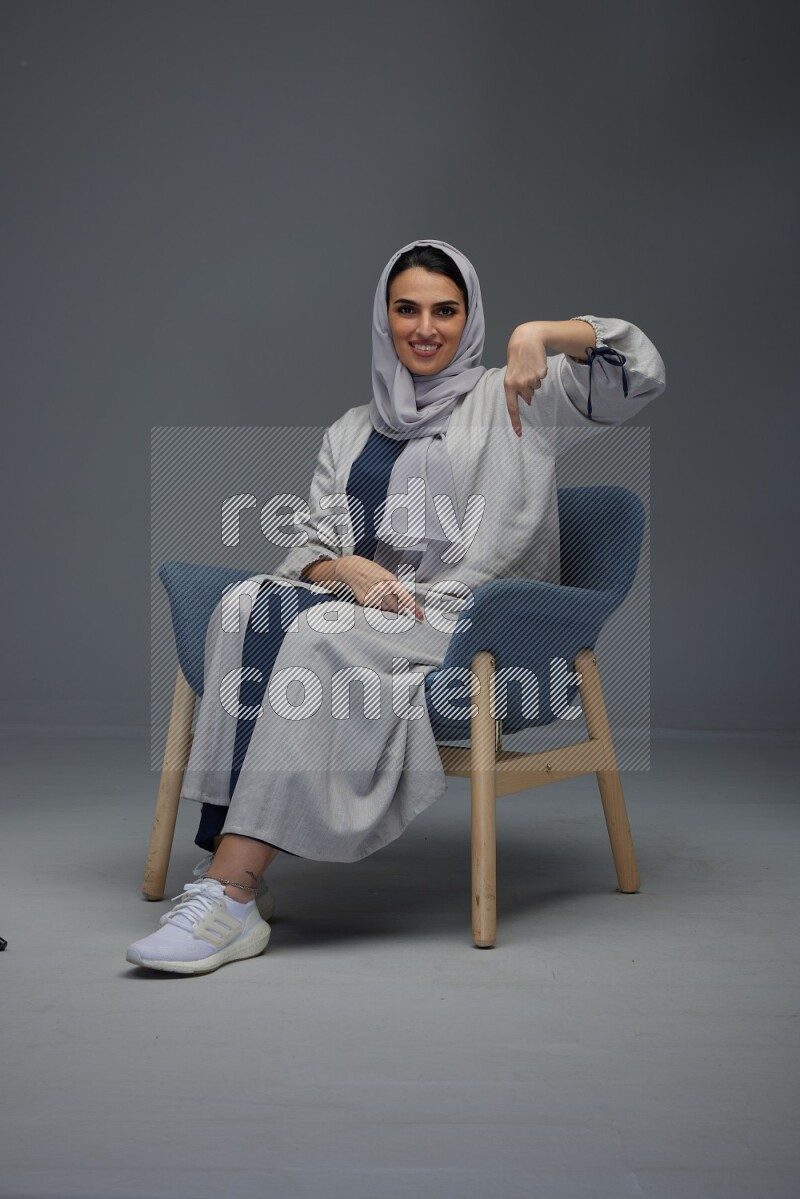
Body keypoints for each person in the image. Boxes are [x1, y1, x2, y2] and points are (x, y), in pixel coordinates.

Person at [126, 238, 666, 974]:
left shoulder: (521, 396)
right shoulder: (353, 428)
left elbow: (642, 369)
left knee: (316, 635)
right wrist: (346, 565)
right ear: (384, 319)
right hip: (376, 612)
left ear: (470, 318)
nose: (425, 327)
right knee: (245, 605)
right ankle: (232, 861)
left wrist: (544, 334)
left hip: (473, 620)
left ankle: (231, 891)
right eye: (406, 308)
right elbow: (312, 542)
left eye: (446, 311)